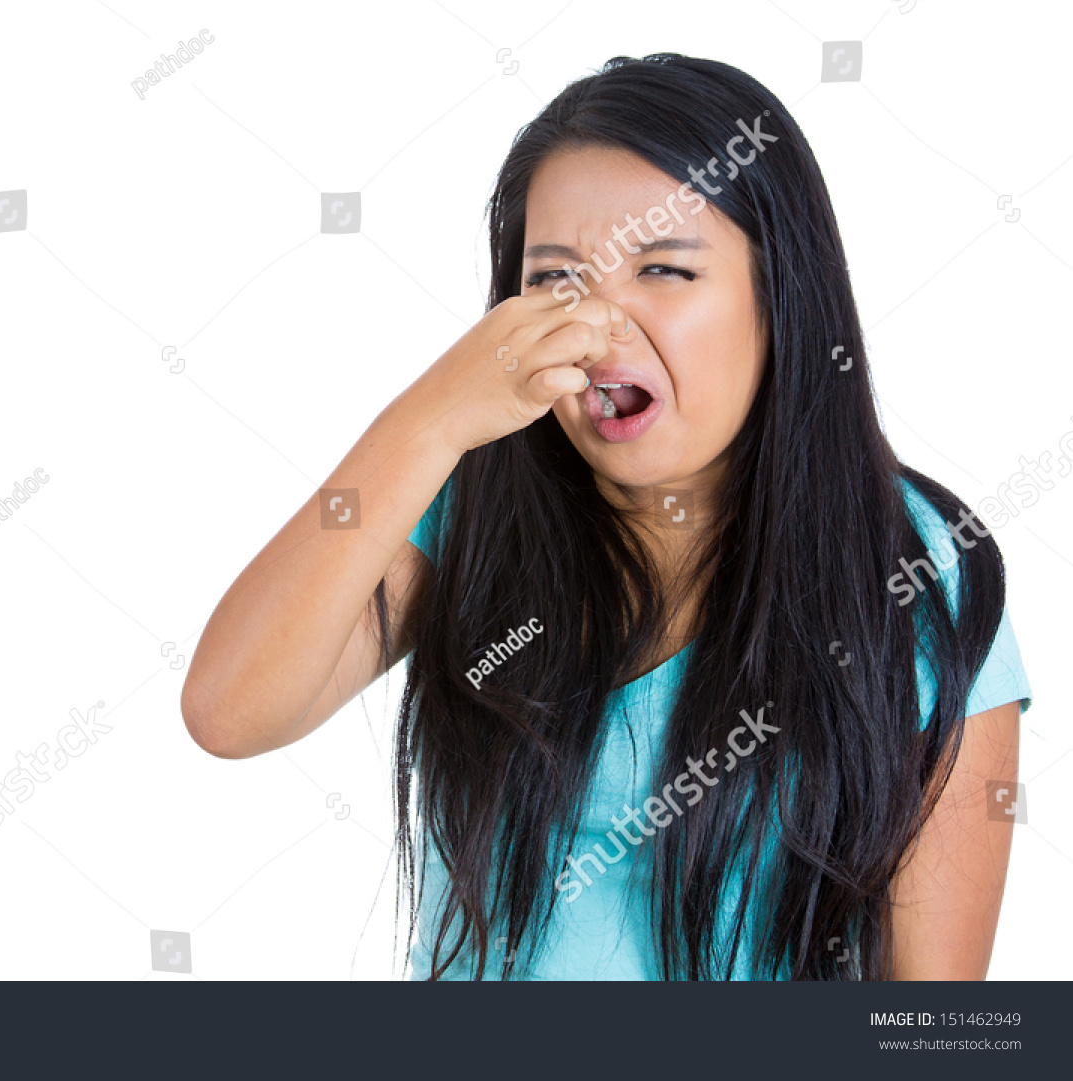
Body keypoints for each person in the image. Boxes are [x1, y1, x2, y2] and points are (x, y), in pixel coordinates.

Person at [181, 53, 1032, 980]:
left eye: (664, 268)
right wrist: (430, 420)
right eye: (555, 280)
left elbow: (936, 1016)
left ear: (780, 294)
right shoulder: (474, 504)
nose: (599, 325)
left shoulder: (917, 567)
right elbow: (231, 711)